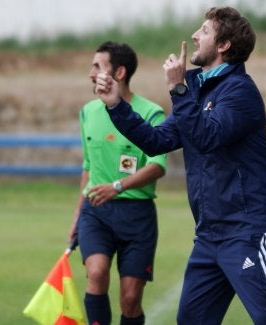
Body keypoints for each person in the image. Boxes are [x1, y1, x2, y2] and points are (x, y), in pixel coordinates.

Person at [94, 7, 266, 325]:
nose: (195, 36)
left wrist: (178, 89)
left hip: (248, 230)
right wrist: (117, 105)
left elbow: (206, 137)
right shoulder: (198, 89)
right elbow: (158, 141)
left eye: (204, 30)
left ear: (224, 44)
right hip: (209, 234)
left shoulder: (240, 91)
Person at [68, 41, 167, 325]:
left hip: (137, 217)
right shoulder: (88, 112)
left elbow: (157, 166)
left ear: (119, 72)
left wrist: (118, 186)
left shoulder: (151, 114)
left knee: (130, 298)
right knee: (96, 273)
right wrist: (77, 214)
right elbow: (88, 166)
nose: (90, 73)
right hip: (96, 212)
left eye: (97, 66)